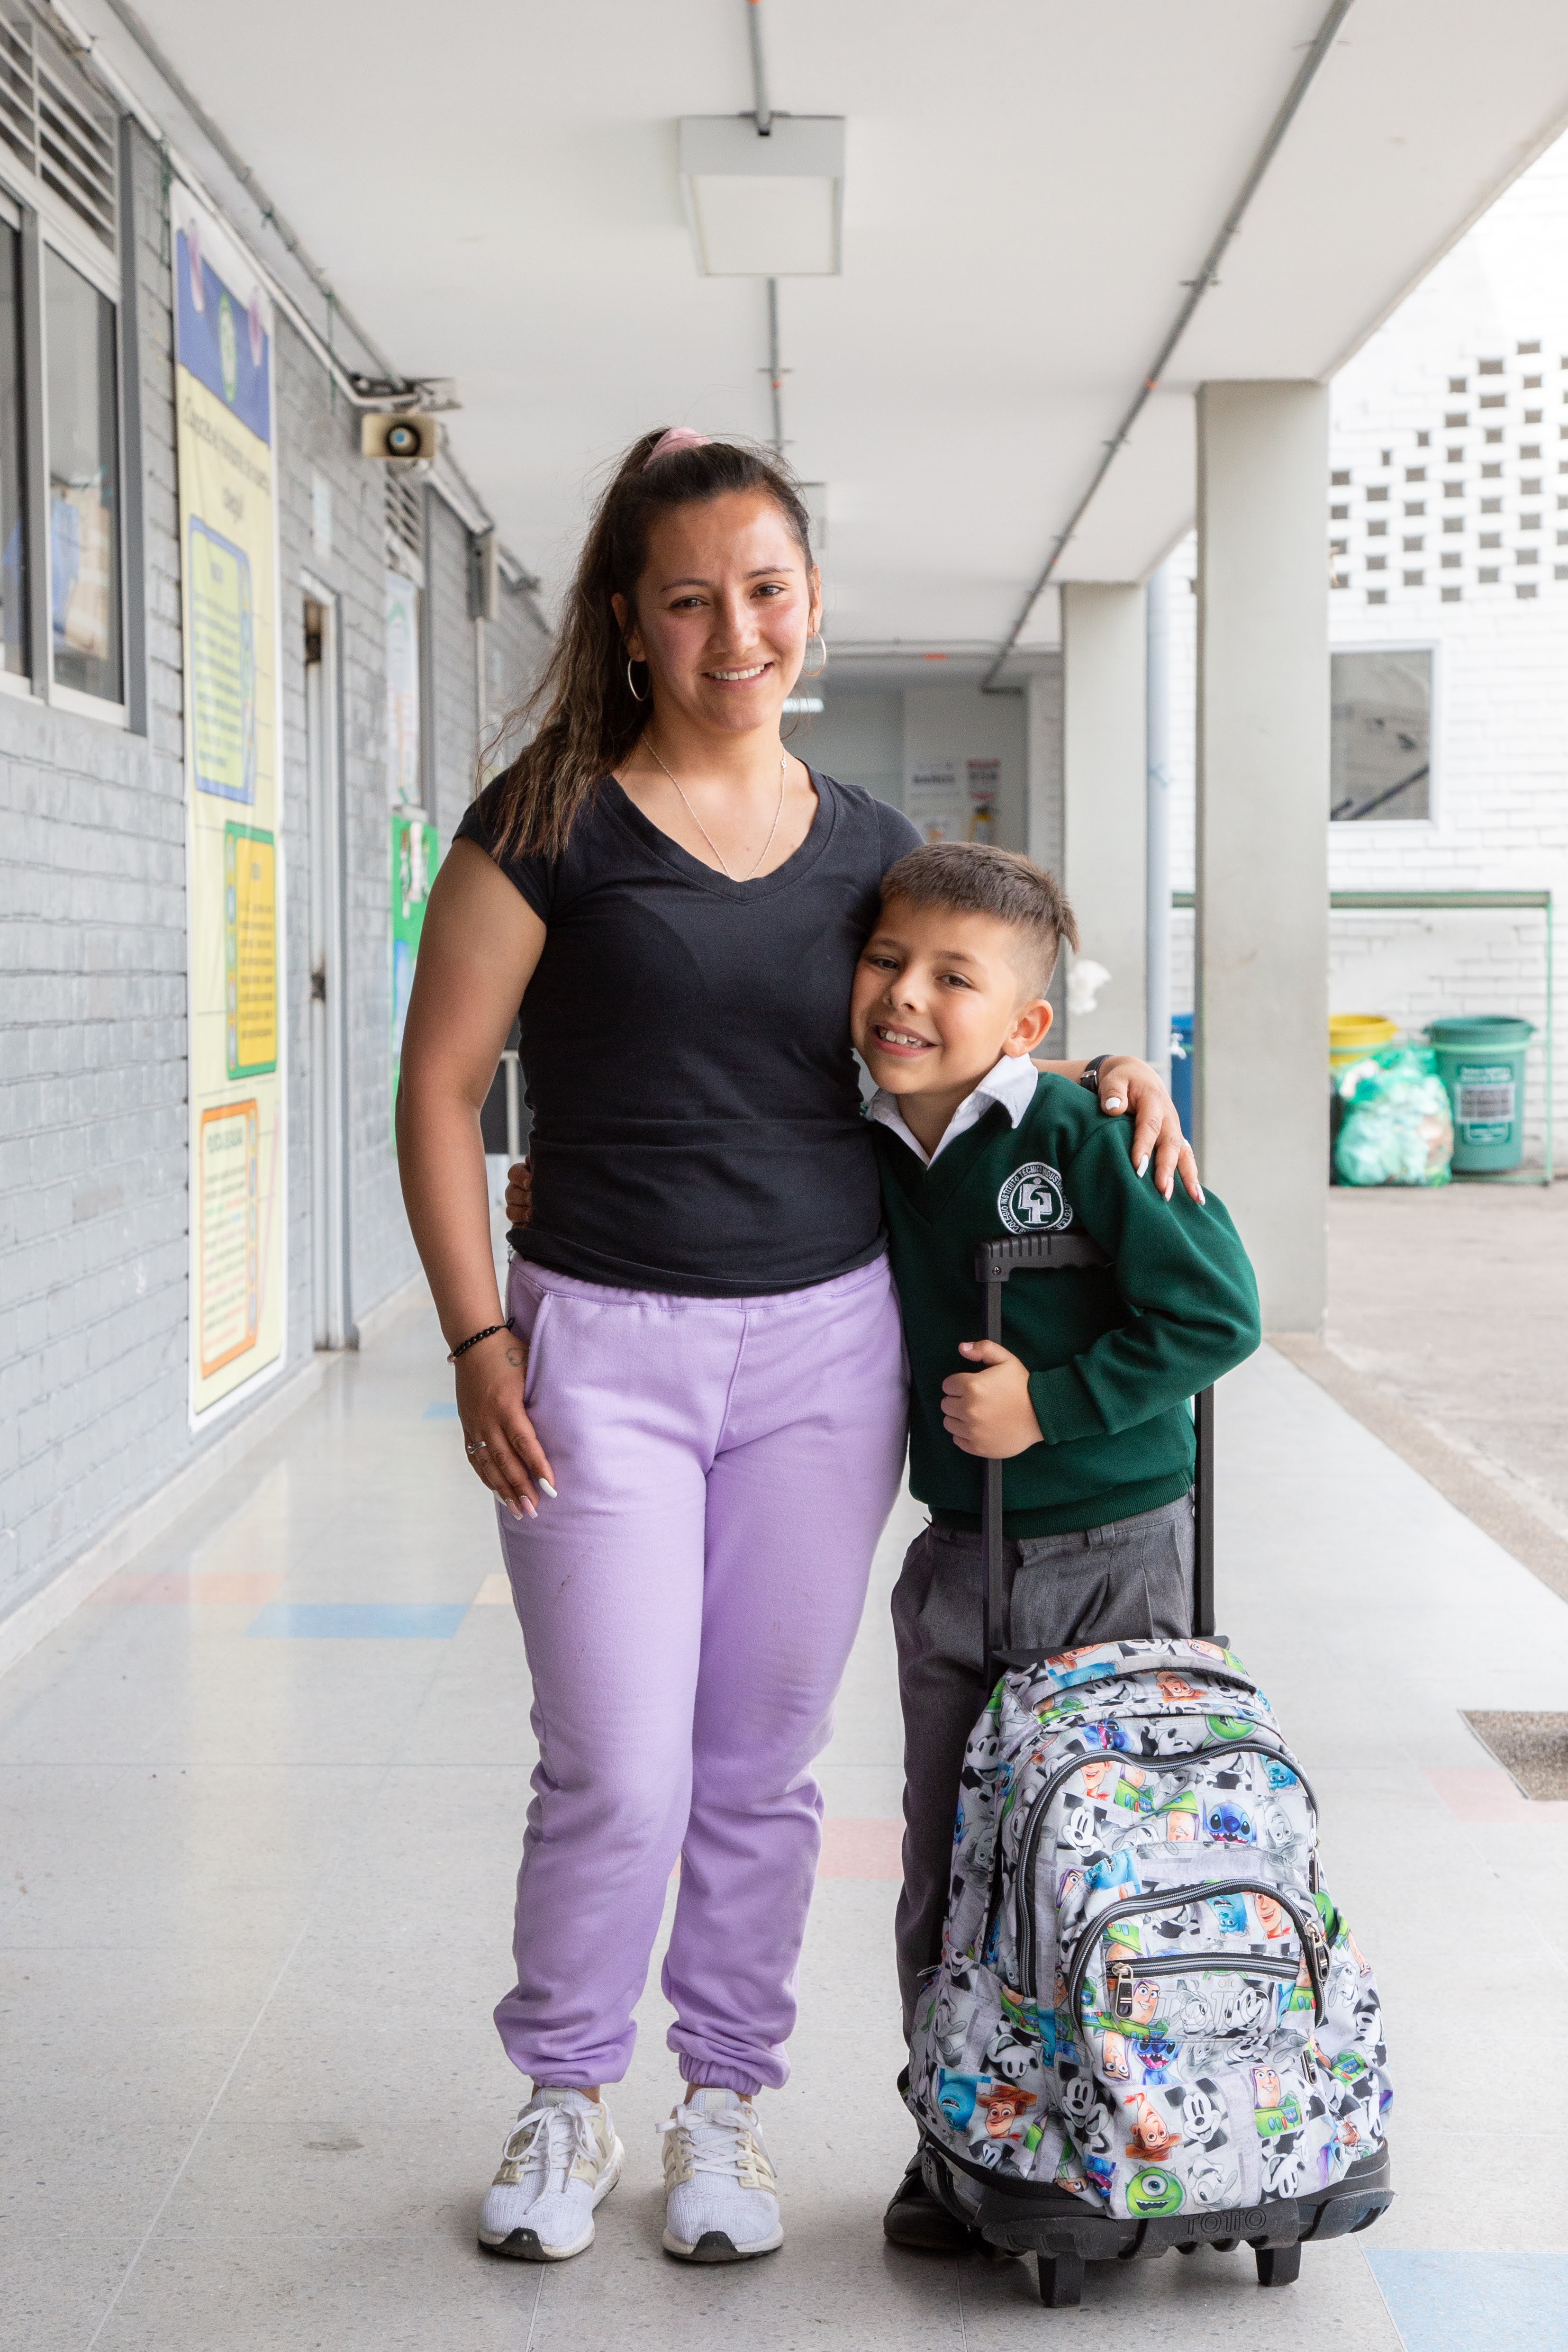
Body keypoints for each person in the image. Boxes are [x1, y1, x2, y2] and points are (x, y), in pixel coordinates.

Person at [395, 425, 1195, 2270]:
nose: (735, 631)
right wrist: (475, 1337)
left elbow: (963, 1023)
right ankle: (567, 2089)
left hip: (823, 1354)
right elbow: (438, 1087)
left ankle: (724, 2101)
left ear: (811, 601)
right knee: (615, 1762)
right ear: (629, 620)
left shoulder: (872, 849)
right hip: (599, 1347)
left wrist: (1109, 1075)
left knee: (760, 1764)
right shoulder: (545, 819)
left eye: (766, 590)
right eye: (690, 599)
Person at [845, 842, 1260, 2253]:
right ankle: (960, 2140)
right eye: (887, 960)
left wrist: (1050, 1407)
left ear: (1026, 1023)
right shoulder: (857, 1134)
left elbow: (1218, 1311)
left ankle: (1156, 2135)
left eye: (953, 977)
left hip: (1119, 1554)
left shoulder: (1087, 1134)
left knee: (1116, 1857)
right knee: (949, 1866)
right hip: (961, 1561)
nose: (906, 995)